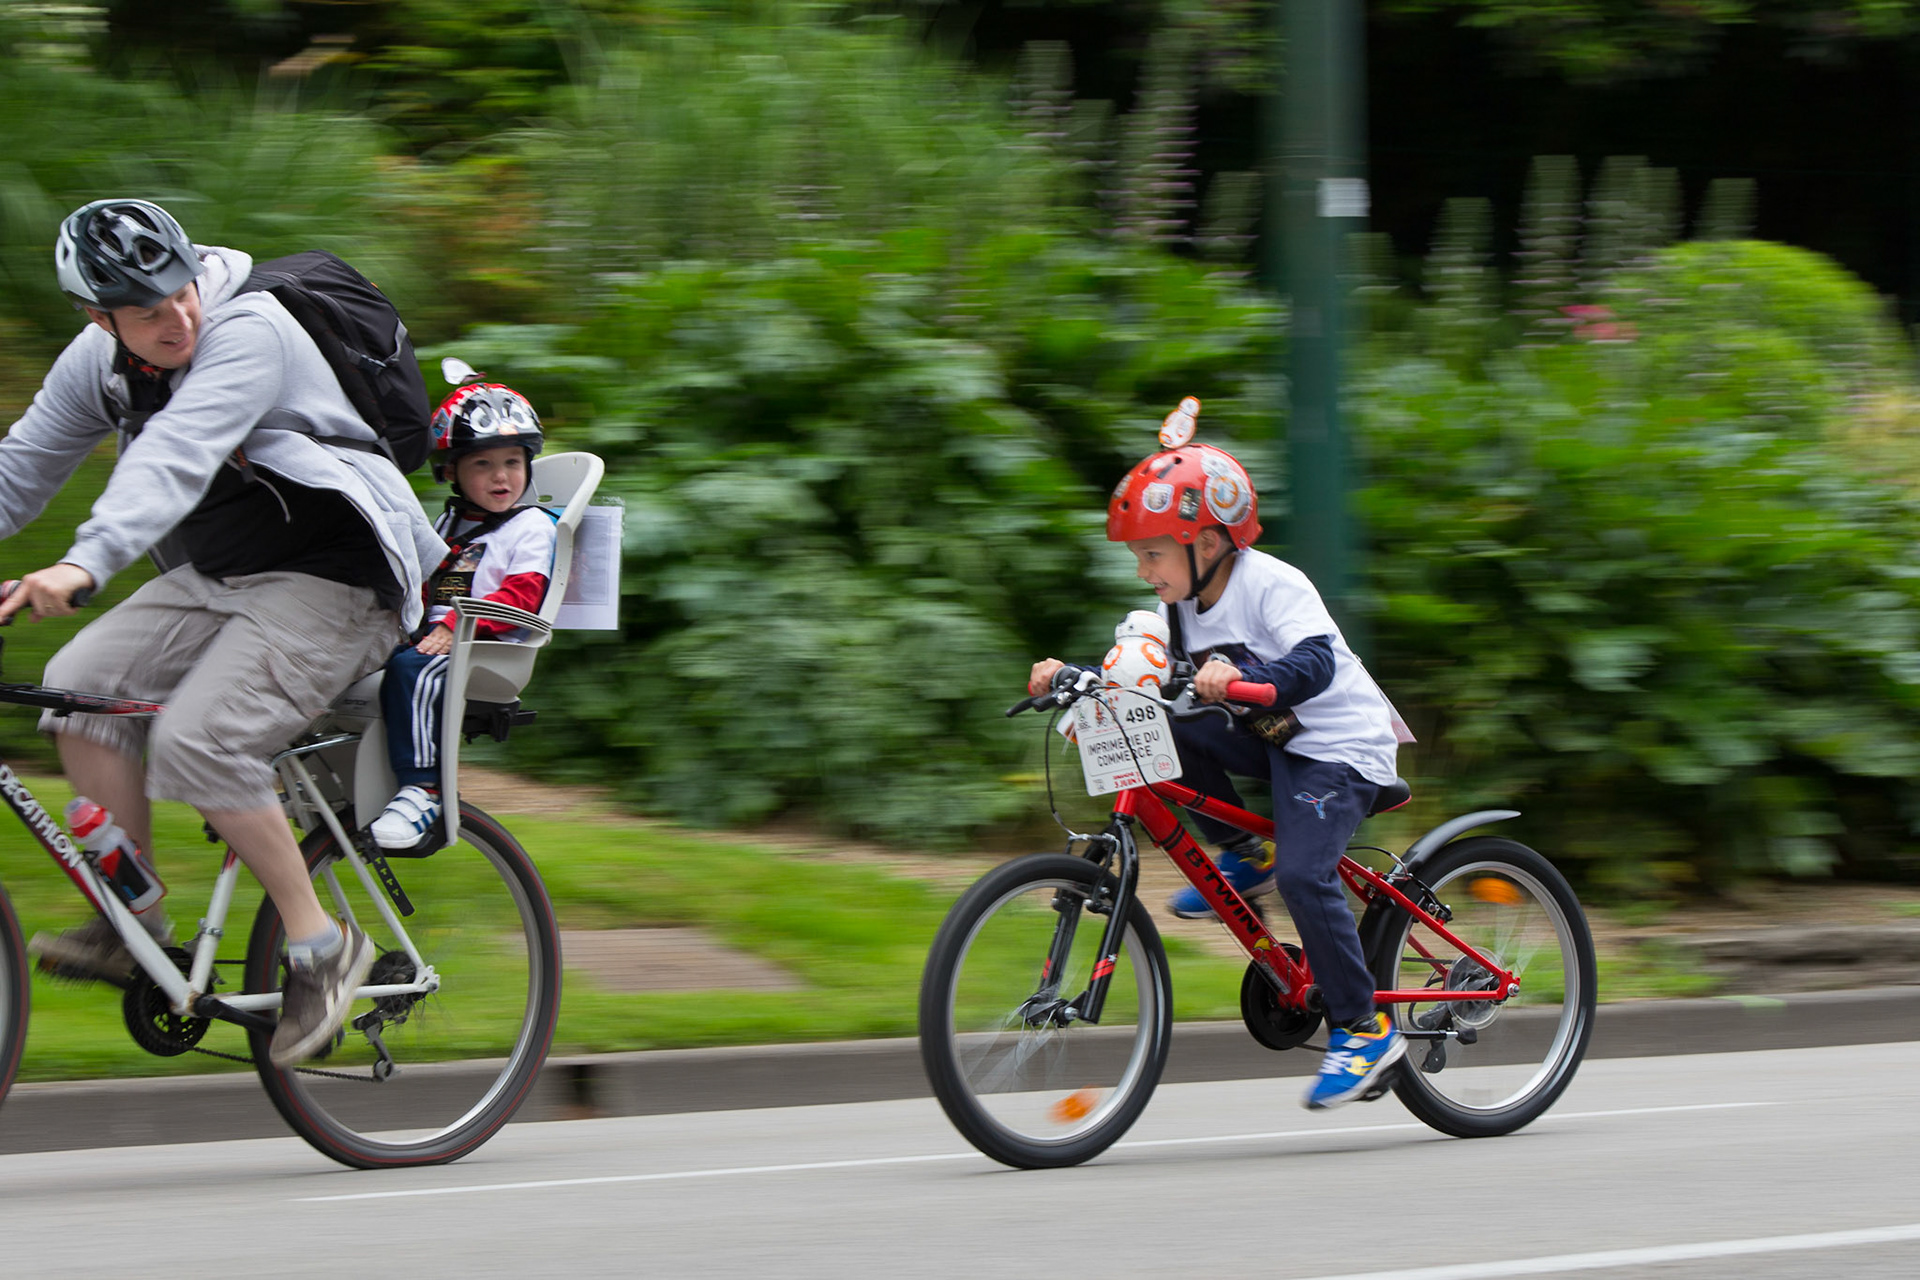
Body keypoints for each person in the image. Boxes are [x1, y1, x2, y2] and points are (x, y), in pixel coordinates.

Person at [0, 198, 444, 1068]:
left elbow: (176, 456)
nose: (178, 318)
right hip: (224, 577)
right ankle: (136, 922)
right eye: (146, 311)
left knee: (201, 741)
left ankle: (323, 947)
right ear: (100, 318)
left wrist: (82, 564)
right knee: (78, 688)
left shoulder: (252, 330)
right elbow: (19, 472)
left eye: (179, 291)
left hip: (342, 579)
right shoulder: (99, 362)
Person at [1028, 434, 1406, 1110]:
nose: (1144, 570)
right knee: (1165, 729)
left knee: (1305, 873)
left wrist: (1246, 678)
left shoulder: (1273, 584)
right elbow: (1151, 671)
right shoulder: (1179, 608)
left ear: (1206, 543)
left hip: (1339, 748)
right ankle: (1244, 854)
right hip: (1277, 742)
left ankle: (1365, 1030)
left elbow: (1316, 663)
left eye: (1152, 554)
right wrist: (1075, 676)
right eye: (1138, 557)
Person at [369, 380, 556, 849]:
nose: (502, 477)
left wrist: (457, 625)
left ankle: (423, 790)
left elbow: (524, 595)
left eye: (513, 462)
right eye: (483, 464)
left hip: (488, 643)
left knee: (414, 667)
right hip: (437, 632)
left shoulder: (531, 526)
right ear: (452, 472)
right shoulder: (450, 524)